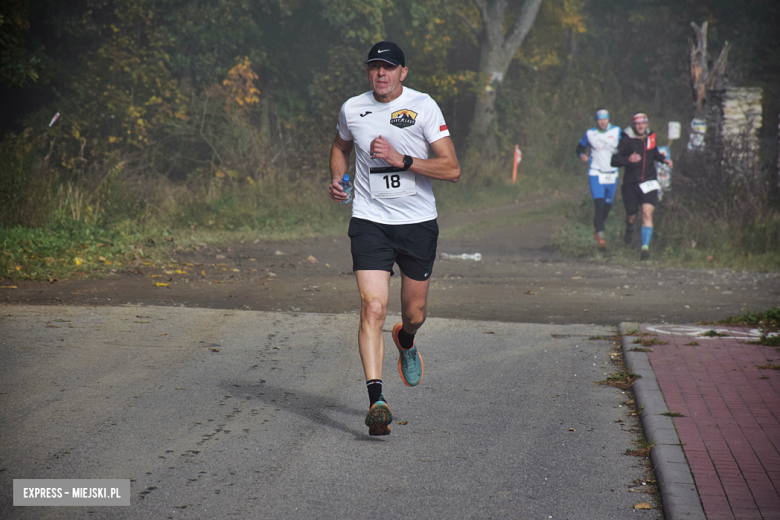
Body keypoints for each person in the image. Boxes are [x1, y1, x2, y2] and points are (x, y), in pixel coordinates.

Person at [328, 41, 461, 436]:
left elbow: (452, 169)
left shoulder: (424, 106)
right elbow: (340, 146)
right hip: (370, 220)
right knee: (372, 308)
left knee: (415, 313)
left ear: (403, 72)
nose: (380, 73)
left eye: (389, 67)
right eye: (374, 67)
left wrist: (402, 160)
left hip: (418, 223)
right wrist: (338, 178)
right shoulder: (353, 108)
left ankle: (406, 339)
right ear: (368, 72)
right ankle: (377, 401)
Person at [611, 112, 673, 260]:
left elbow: (654, 153)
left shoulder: (651, 136)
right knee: (631, 216)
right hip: (631, 184)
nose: (640, 126)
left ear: (647, 124)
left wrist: (664, 160)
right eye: (637, 124)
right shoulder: (626, 139)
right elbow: (614, 160)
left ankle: (645, 248)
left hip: (649, 181)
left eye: (643, 123)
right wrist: (628, 159)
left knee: (646, 212)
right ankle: (630, 228)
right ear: (633, 125)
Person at [576, 109, 621, 250]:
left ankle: (598, 227)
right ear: (596, 120)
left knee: (607, 206)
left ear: (608, 120)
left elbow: (626, 145)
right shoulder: (590, 133)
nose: (602, 122)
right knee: (599, 204)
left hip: (612, 173)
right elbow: (579, 147)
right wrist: (582, 156)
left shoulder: (617, 131)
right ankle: (601, 237)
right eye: (600, 120)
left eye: (605, 119)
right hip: (596, 173)